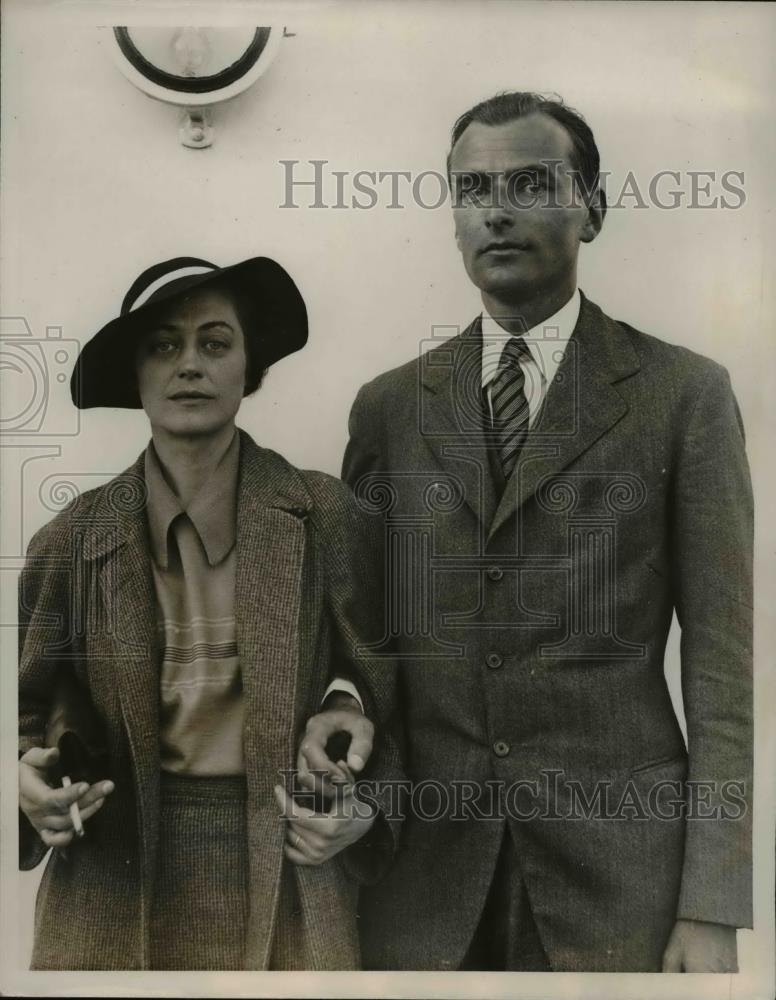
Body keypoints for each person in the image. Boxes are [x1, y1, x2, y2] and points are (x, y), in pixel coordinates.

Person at [312, 92, 753, 972]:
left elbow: (721, 672)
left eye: (529, 182)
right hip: (426, 881)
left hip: (620, 881)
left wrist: (712, 906)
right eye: (472, 187)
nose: (497, 208)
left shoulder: (682, 396)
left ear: (592, 205)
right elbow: (365, 640)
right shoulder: (391, 407)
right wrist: (342, 704)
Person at [18, 256, 399, 970]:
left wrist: (366, 805)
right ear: (135, 374)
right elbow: (23, 709)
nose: (189, 364)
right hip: (110, 876)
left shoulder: (326, 519)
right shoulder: (70, 541)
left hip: (288, 865)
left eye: (214, 343)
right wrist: (25, 784)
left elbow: (395, 698)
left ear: (249, 368)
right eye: (164, 345)